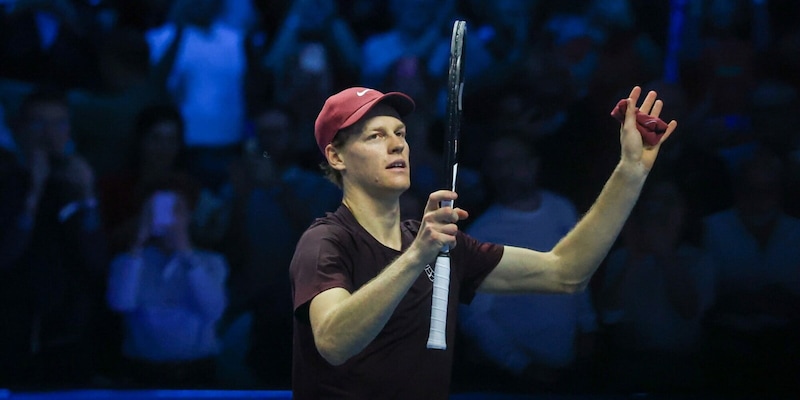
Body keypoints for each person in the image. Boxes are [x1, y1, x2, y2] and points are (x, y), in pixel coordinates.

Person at [289, 85, 678, 399]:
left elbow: (566, 272)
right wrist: (417, 255)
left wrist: (630, 170)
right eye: (375, 136)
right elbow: (334, 341)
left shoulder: (440, 244)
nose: (397, 145)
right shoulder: (326, 242)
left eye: (400, 134)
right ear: (336, 157)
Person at [457, 135, 598, 394]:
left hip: (570, 366)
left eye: (512, 161)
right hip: (514, 380)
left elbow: (579, 269)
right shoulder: (483, 233)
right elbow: (475, 315)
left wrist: (588, 326)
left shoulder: (562, 209)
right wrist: (520, 364)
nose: (504, 171)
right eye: (496, 164)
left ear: (533, 164)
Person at [106, 185, 228, 388]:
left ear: (189, 215)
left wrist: (185, 251)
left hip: (196, 373)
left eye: (176, 209)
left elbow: (213, 309)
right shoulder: (128, 262)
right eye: (158, 209)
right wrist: (139, 239)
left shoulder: (211, 262)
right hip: (142, 374)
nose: (168, 216)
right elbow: (120, 304)